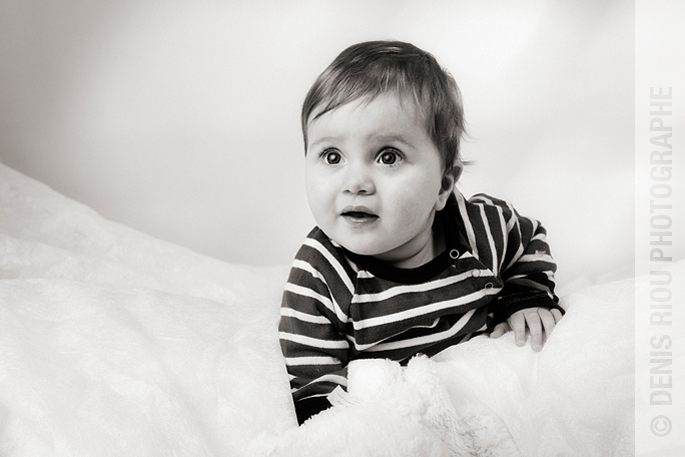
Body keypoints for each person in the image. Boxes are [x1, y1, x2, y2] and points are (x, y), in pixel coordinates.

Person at [278, 40, 565, 425]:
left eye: (388, 156)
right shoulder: (321, 274)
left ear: (444, 185)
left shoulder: (478, 227)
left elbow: (526, 240)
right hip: (397, 416)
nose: (355, 182)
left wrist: (525, 295)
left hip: (486, 395)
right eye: (333, 156)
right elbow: (312, 379)